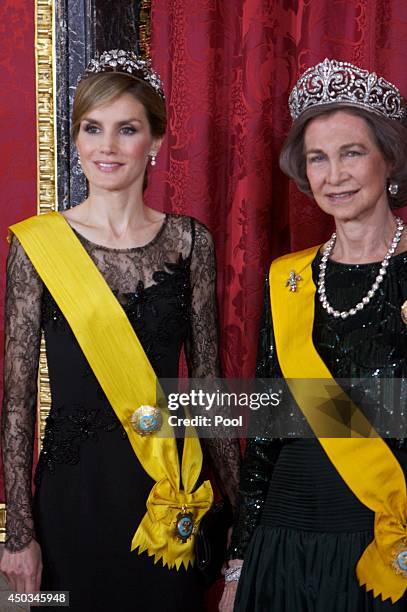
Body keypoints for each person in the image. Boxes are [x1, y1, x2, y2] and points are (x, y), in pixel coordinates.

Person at [0, 49, 239, 612]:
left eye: (126, 129)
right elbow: (16, 403)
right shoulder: (37, 247)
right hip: (70, 502)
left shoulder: (189, 242)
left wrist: (244, 521)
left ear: (154, 141)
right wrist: (19, 535)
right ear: (77, 138)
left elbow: (208, 387)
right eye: (93, 128)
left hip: (165, 491)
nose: (106, 146)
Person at [220, 58, 407, 611]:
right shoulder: (289, 278)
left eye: (352, 153)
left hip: (381, 545)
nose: (334, 175)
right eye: (317, 159)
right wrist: (239, 567)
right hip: (284, 540)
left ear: (389, 158)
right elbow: (266, 435)